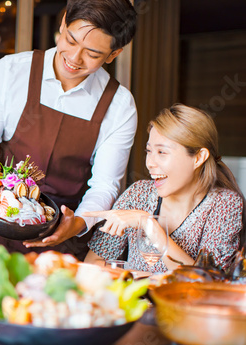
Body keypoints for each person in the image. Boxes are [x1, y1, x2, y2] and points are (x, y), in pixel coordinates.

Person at [0, 0, 138, 256]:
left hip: (64, 242)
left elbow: (104, 185)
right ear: (63, 21)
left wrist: (76, 224)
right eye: (70, 40)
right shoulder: (9, 72)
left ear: (114, 54)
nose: (74, 59)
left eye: (92, 54)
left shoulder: (119, 106)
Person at [84, 104, 244, 272]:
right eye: (149, 151)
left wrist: (149, 225)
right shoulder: (138, 194)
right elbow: (93, 262)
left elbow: (207, 281)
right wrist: (138, 279)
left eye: (161, 152)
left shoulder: (224, 204)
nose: (149, 163)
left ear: (198, 158)